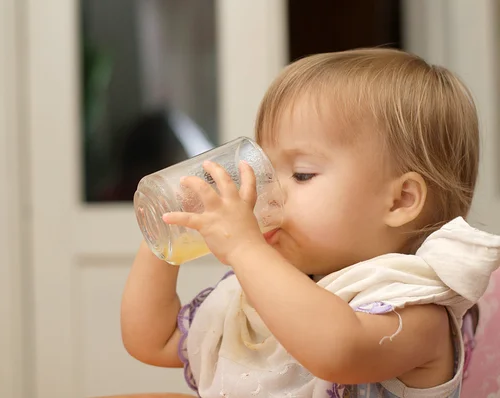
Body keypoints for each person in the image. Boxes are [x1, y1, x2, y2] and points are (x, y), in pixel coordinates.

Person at [120, 48, 500, 397]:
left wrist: (245, 249)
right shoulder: (266, 291)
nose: (268, 190)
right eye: (265, 167)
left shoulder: (416, 312)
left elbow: (337, 351)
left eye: (301, 174)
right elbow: (153, 341)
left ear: (400, 201)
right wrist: (167, 232)